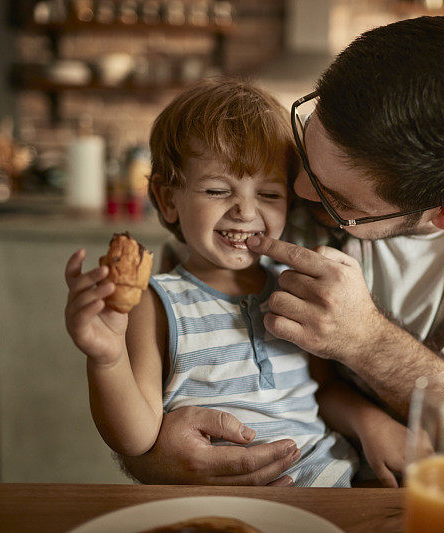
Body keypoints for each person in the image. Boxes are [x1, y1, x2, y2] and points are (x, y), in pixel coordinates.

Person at [120, 16, 444, 486]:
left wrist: (369, 344)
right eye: (307, 145)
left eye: (339, 203)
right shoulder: (276, 164)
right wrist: (154, 452)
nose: (297, 188)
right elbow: (182, 341)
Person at [64, 78, 412, 487]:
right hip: (228, 505)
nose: (245, 211)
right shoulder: (153, 304)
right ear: (167, 199)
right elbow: (136, 438)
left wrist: (372, 424)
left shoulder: (293, 290)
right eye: (216, 189)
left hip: (334, 486)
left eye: (268, 194)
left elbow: (321, 392)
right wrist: (106, 359)